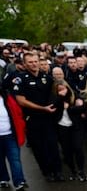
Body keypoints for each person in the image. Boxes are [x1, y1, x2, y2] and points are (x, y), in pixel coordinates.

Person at [12, 52, 62, 181]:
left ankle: (57, 171)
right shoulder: (20, 79)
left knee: (52, 144)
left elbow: (57, 92)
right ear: (24, 64)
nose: (34, 64)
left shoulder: (47, 78)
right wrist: (42, 108)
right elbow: (21, 100)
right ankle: (47, 172)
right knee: (39, 147)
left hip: (48, 118)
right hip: (32, 119)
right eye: (30, 62)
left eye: (36, 61)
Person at [52, 80, 87, 181]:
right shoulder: (55, 99)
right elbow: (52, 108)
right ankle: (73, 171)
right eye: (59, 90)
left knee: (78, 148)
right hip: (62, 127)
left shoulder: (74, 96)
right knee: (67, 151)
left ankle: (81, 171)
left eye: (63, 89)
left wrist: (70, 108)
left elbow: (83, 108)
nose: (62, 91)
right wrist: (60, 99)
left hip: (75, 127)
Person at [0, 88, 28, 190]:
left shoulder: (7, 97)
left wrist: (21, 124)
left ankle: (19, 181)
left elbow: (18, 112)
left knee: (15, 159)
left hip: (10, 135)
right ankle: (3, 179)